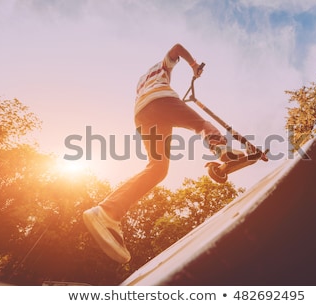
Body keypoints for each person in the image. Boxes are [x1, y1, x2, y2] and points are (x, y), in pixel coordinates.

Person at [83, 43, 240, 263]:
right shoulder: (161, 68)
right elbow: (176, 48)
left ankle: (107, 212)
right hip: (161, 100)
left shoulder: (140, 83)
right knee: (201, 124)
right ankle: (222, 149)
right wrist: (194, 65)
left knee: (157, 168)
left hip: (142, 114)